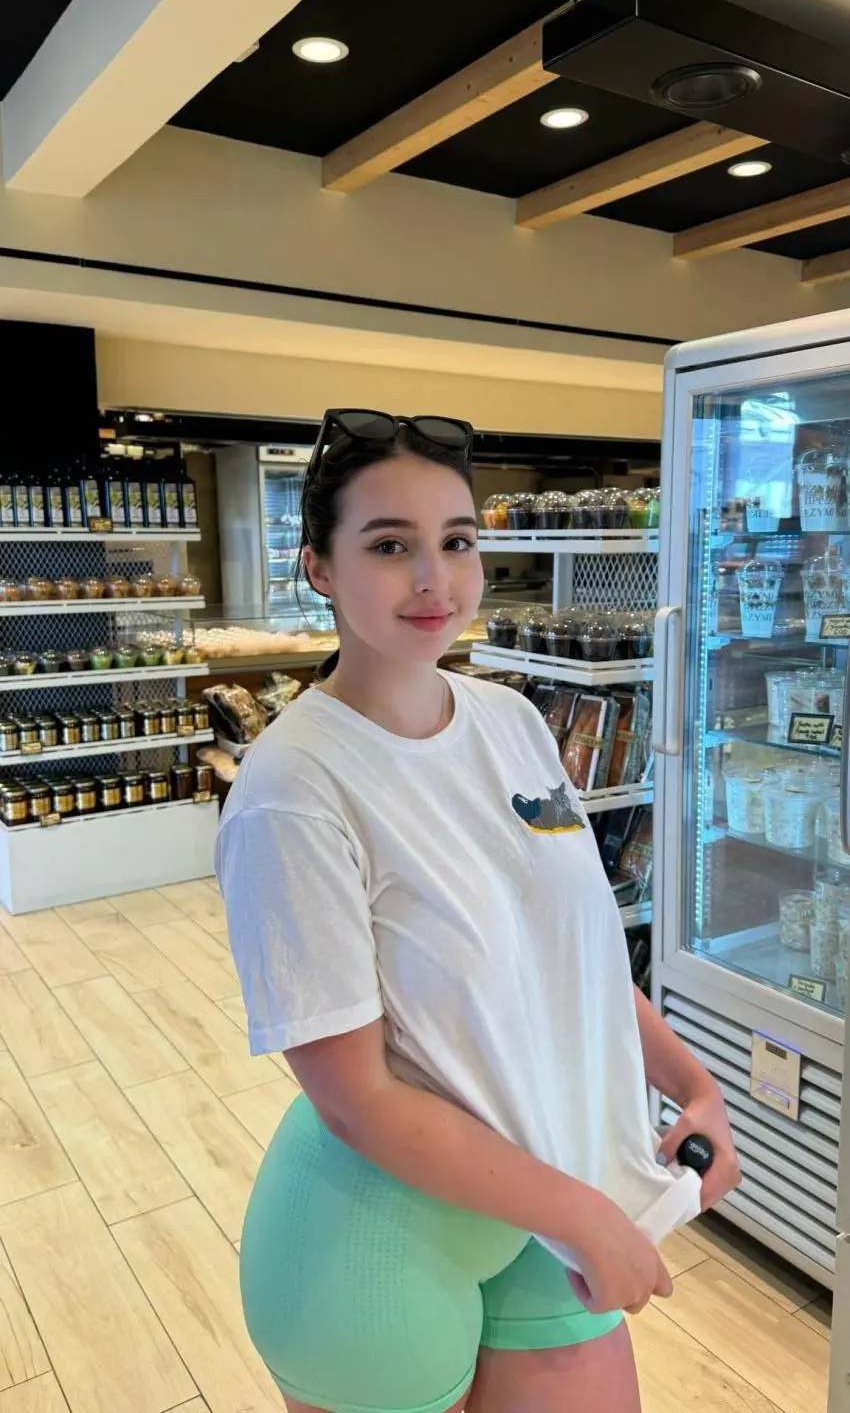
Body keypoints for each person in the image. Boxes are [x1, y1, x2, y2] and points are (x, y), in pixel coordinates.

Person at [216, 409, 740, 1413]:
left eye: (456, 541)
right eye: (389, 545)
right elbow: (358, 1098)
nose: (434, 579)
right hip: (378, 1240)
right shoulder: (293, 790)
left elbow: (574, 960)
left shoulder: (510, 721)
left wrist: (692, 1083)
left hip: (548, 1191)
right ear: (318, 566)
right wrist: (582, 1215)